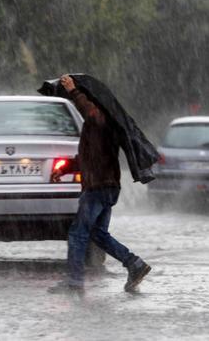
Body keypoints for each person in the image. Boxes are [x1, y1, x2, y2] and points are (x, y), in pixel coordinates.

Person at [48, 75, 151, 294]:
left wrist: (74, 91)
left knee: (78, 234)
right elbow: (88, 156)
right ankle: (135, 264)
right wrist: (64, 169)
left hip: (98, 187)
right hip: (107, 185)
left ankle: (74, 283)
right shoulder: (99, 125)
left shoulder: (99, 118)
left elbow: (91, 112)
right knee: (98, 234)